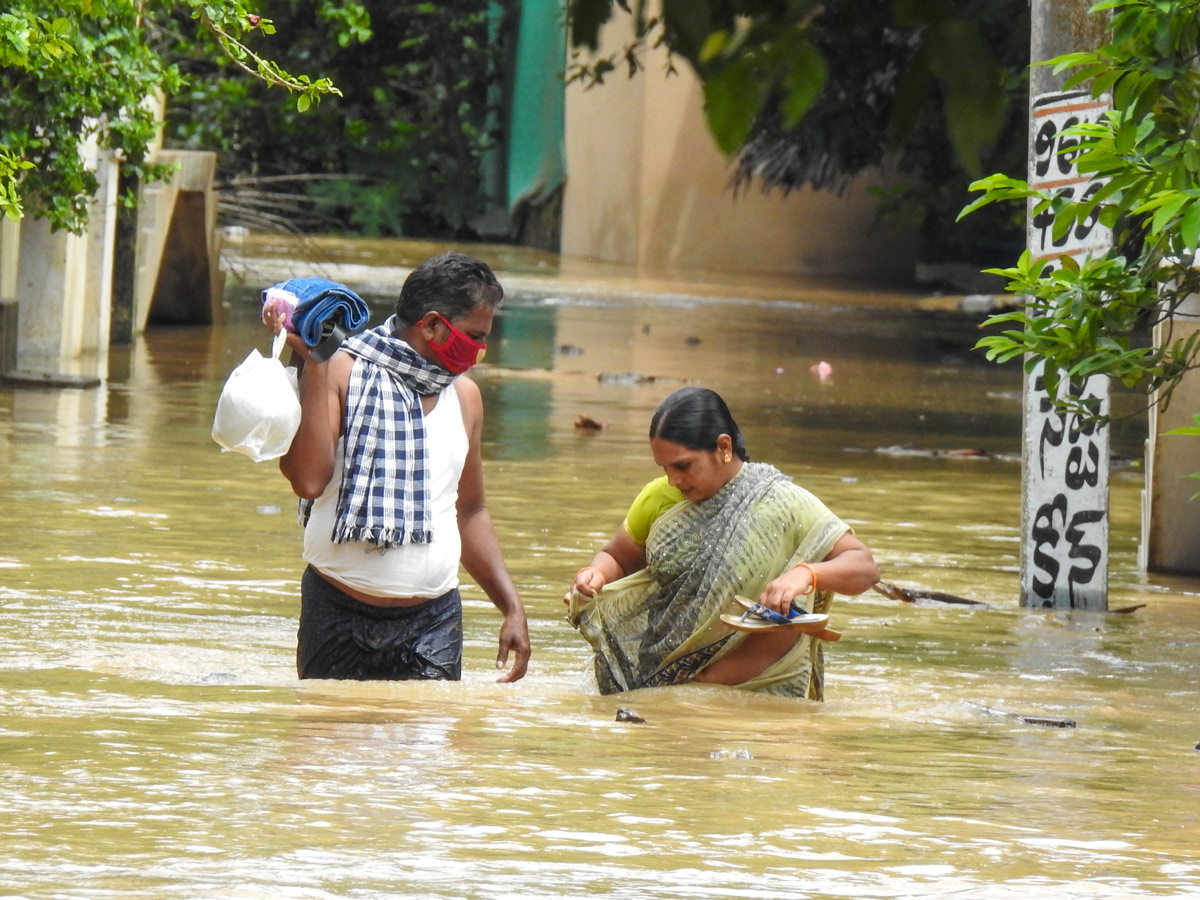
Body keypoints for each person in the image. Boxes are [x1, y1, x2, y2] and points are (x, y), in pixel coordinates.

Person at [264, 251, 530, 683]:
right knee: (326, 745)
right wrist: (311, 365)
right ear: (431, 325)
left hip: (433, 621)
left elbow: (471, 511)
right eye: (475, 336)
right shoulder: (339, 371)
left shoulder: (464, 398)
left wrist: (512, 607)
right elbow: (308, 480)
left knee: (426, 748)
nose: (480, 351)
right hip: (336, 613)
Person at [565, 386, 878, 698]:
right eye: (664, 468)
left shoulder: (782, 502)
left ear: (723, 446)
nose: (673, 479)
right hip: (661, 682)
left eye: (683, 465)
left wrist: (807, 574)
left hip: (760, 696)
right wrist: (595, 575)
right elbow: (617, 557)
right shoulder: (659, 497)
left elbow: (863, 566)